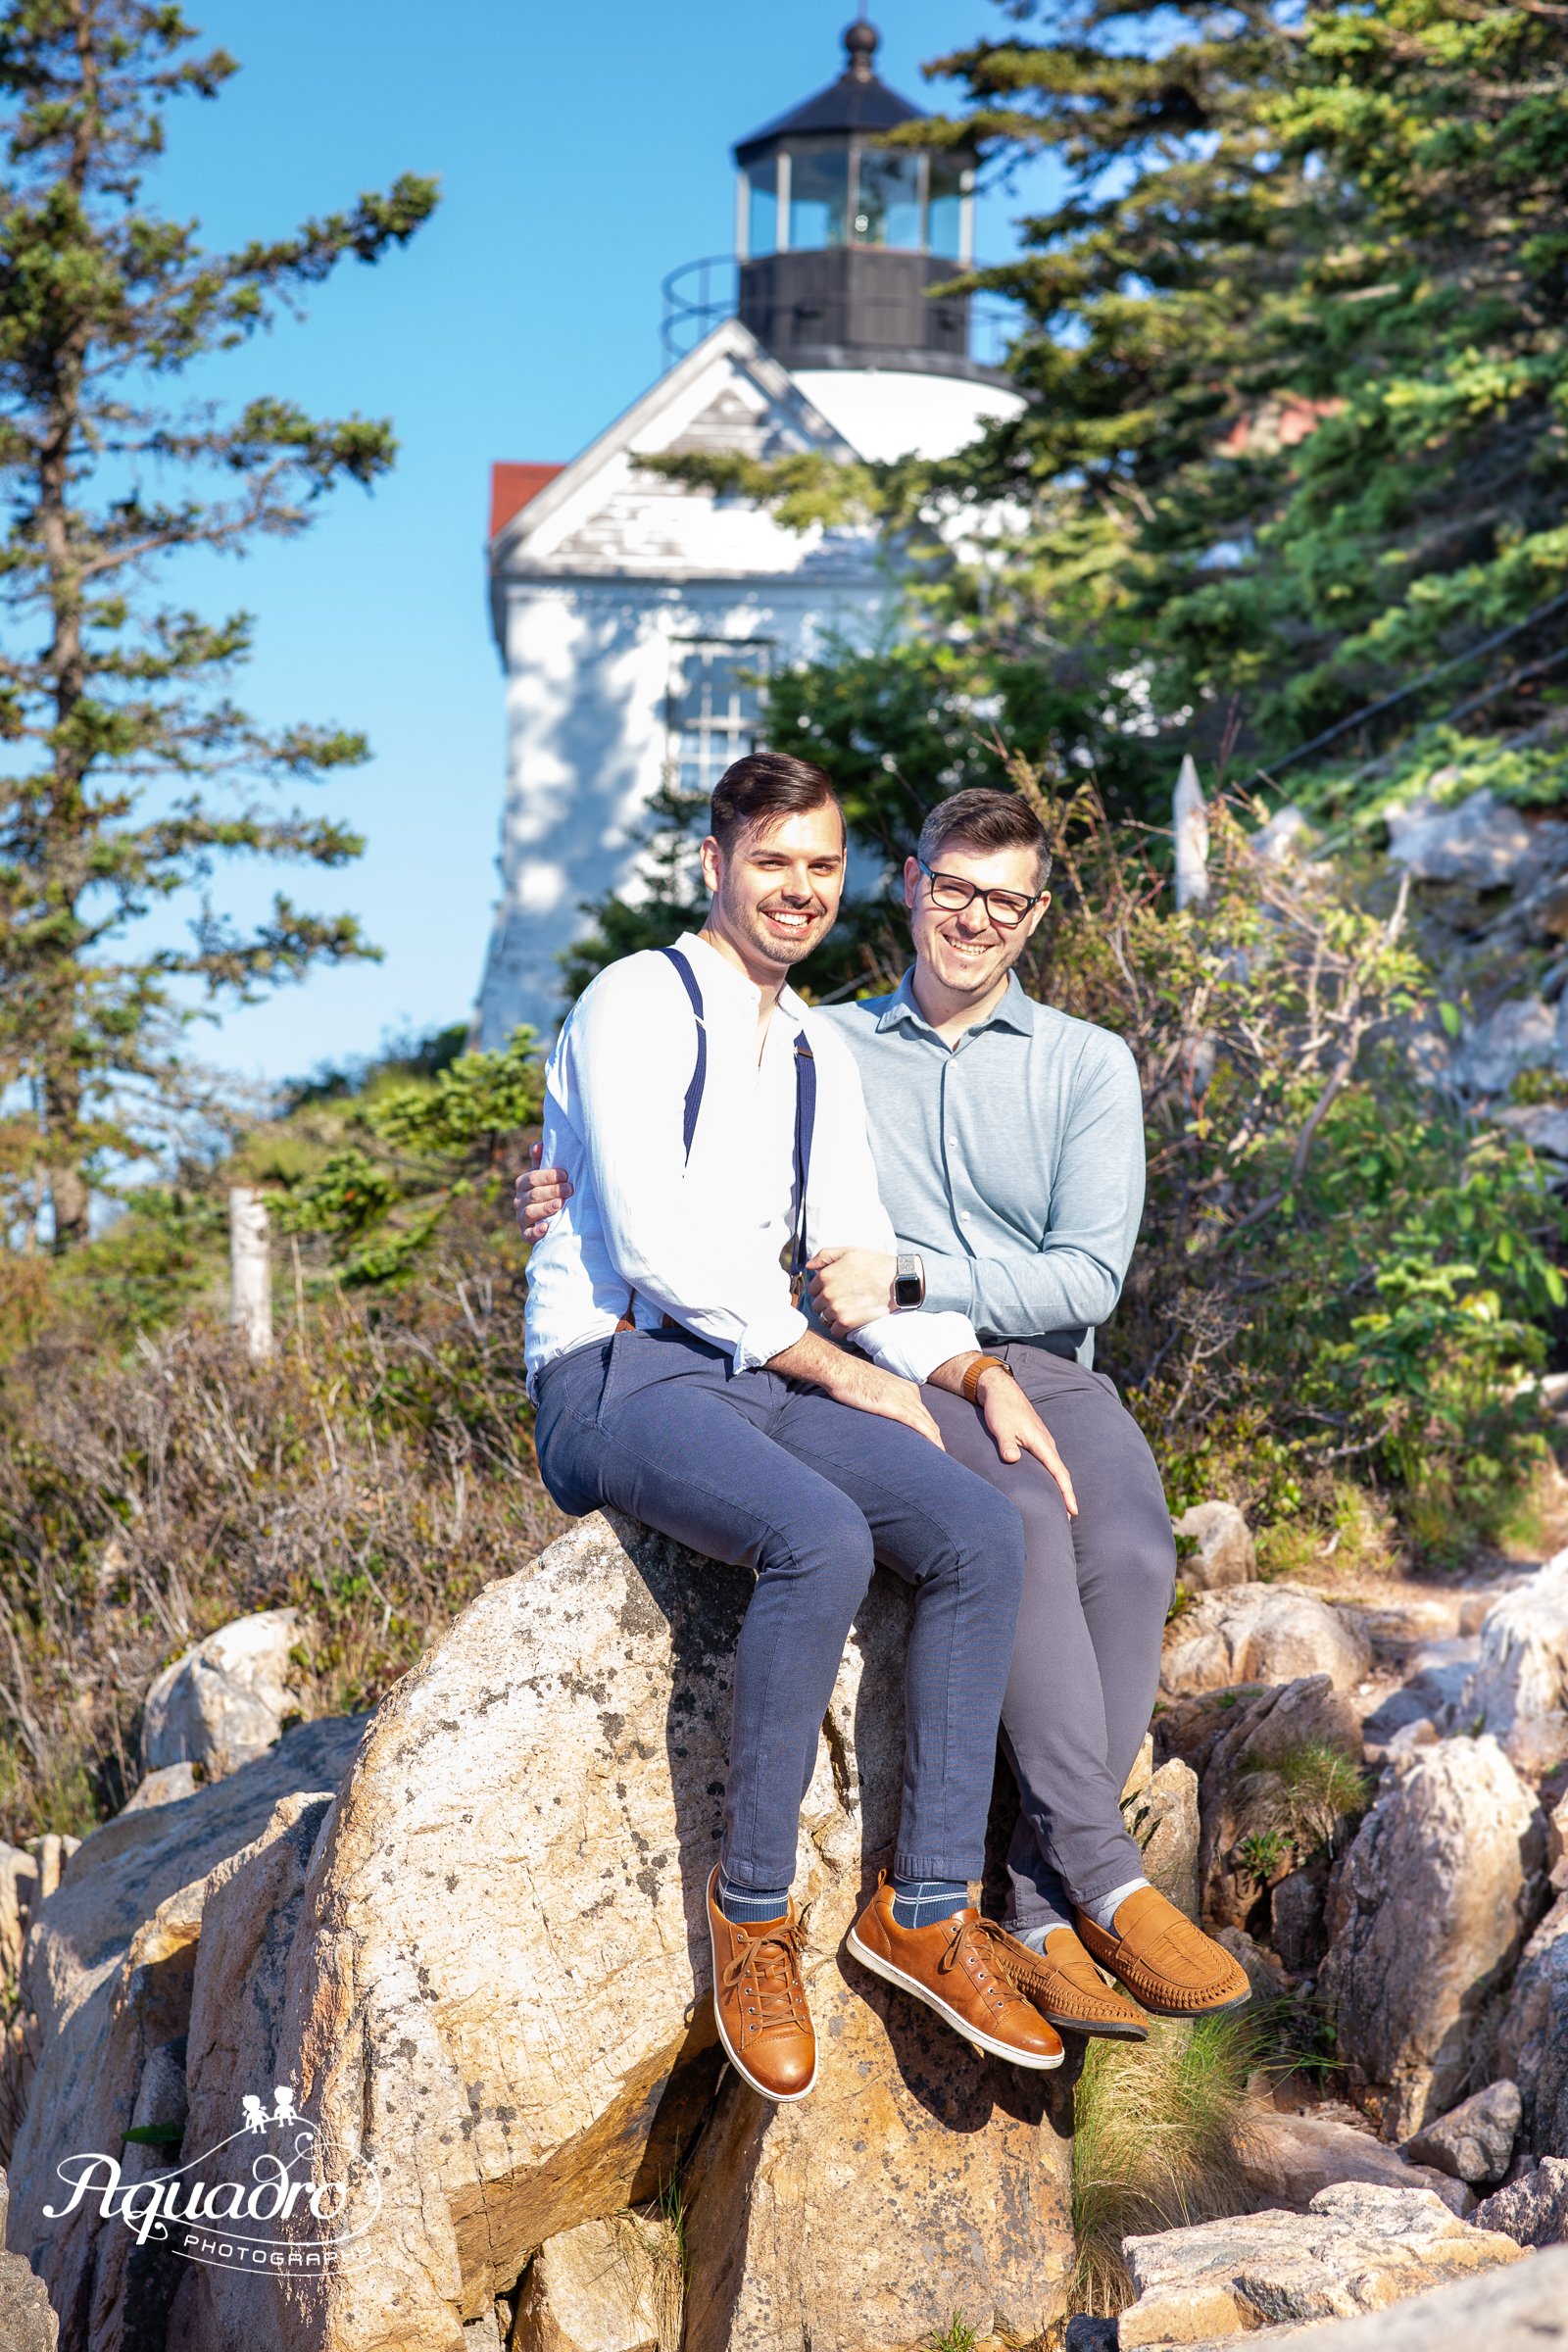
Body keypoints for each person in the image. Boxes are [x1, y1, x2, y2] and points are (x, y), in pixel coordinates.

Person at [520, 783, 1250, 2037]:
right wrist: (855, 1368)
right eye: (774, 861)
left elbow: (878, 1250)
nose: (801, 886)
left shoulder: (818, 1046)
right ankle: (767, 1911)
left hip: (826, 1361)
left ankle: (944, 1905)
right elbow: (650, 1235)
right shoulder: (657, 1002)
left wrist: (966, 1372)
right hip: (644, 1358)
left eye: (820, 863)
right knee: (868, 1533)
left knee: (1045, 1536)